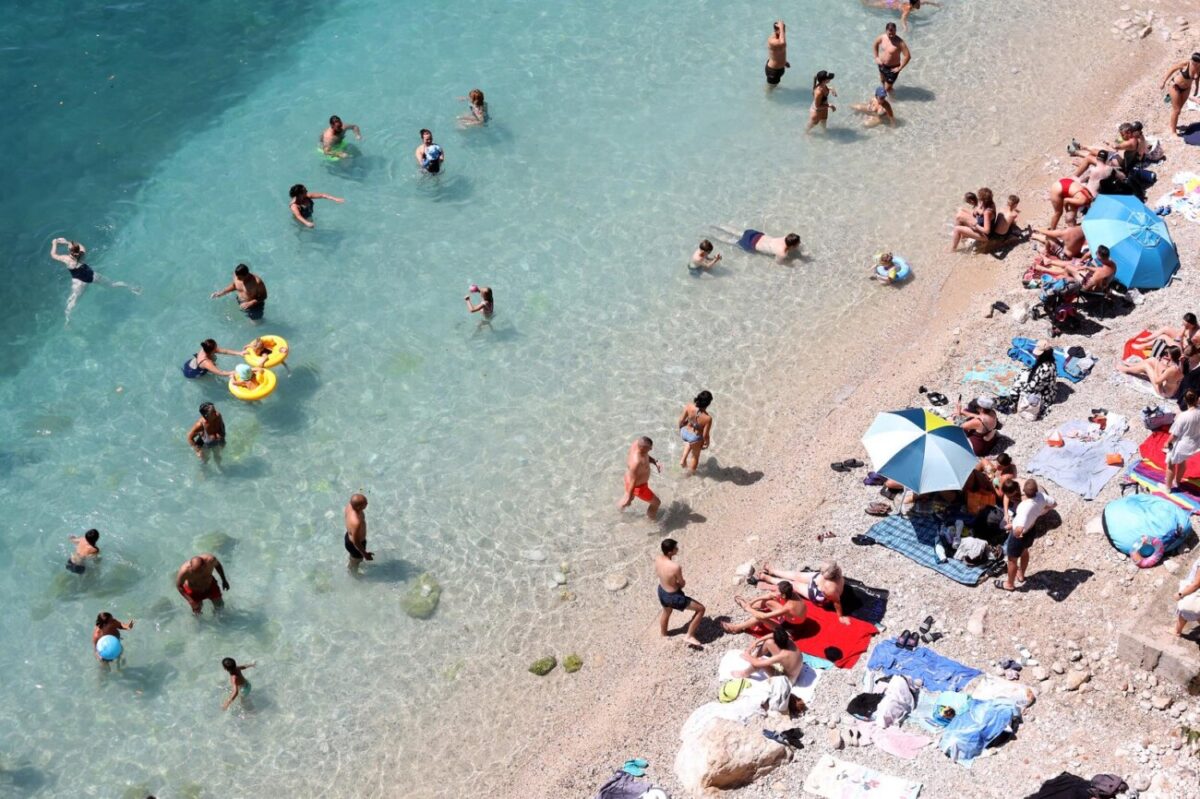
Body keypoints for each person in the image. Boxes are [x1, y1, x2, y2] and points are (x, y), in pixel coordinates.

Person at [48, 237, 140, 323]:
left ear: (69, 252)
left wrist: (54, 243)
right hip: (92, 275)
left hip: (80, 282)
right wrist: (67, 242)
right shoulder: (83, 254)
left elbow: (53, 255)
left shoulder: (67, 259)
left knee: (73, 300)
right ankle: (132, 287)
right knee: (112, 284)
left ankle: (67, 318)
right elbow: (80, 246)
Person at [996, 479, 1056, 591]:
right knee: (1024, 552)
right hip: (1032, 529)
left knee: (1012, 560)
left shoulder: (1023, 507)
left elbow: (1019, 529)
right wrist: (1042, 511)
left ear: (1023, 490)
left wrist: (1012, 527)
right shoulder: (1041, 496)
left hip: (1021, 534)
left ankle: (1009, 584)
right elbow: (1054, 503)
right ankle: (1021, 575)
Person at [751, 561, 849, 623]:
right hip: (819, 582)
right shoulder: (835, 570)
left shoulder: (830, 588)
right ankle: (773, 571)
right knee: (797, 575)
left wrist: (840, 616)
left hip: (819, 595)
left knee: (793, 585)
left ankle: (768, 578)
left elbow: (837, 602)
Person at [655, 538, 705, 648]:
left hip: (661, 591)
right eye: (675, 548)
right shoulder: (675, 567)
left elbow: (658, 574)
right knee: (701, 609)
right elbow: (681, 584)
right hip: (674, 597)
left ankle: (663, 634)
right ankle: (689, 635)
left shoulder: (658, 559)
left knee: (666, 611)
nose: (677, 549)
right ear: (670, 552)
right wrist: (680, 584)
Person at [731, 627, 803, 693]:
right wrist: (756, 642)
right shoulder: (788, 640)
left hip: (787, 681)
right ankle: (755, 656)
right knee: (769, 642)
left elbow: (758, 664)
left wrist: (747, 656)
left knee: (760, 661)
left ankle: (745, 673)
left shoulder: (783, 655)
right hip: (795, 671)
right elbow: (772, 635)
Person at [720, 581, 808, 634]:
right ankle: (748, 604)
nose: (775, 592)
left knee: (759, 617)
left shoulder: (789, 606)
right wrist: (751, 602)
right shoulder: (791, 593)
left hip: (792, 629)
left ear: (783, 595)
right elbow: (770, 595)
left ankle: (737, 628)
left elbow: (763, 616)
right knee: (769, 601)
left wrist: (749, 609)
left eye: (777, 591)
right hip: (793, 619)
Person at [1120, 344, 1184, 400]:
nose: (1165, 356)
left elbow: (1157, 381)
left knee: (1146, 366)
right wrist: (1159, 363)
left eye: (1167, 354)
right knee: (1153, 359)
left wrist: (1156, 366)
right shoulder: (1180, 366)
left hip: (1164, 392)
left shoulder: (1171, 370)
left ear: (1171, 356)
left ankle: (1125, 369)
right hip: (1171, 389)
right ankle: (1131, 365)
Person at [619, 437, 661, 519]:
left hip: (628, 478)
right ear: (642, 447)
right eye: (649, 448)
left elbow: (646, 455)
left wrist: (654, 462)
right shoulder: (637, 462)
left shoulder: (637, 444)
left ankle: (619, 510)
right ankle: (651, 520)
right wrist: (629, 496)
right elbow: (633, 482)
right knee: (656, 503)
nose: (651, 449)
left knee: (627, 499)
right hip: (639, 488)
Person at [1165, 390, 1200, 491]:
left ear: (1185, 400)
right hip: (1195, 443)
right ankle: (1177, 482)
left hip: (1183, 444)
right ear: (1197, 399)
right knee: (1182, 462)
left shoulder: (1183, 417)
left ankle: (1167, 488)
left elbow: (1175, 435)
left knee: (1171, 464)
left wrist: (1168, 442)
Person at [713, 226, 803, 264]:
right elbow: (778, 262)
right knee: (731, 241)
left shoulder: (786, 237)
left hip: (756, 235)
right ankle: (713, 236)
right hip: (751, 244)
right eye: (798, 243)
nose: (799, 244)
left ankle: (716, 226)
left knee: (737, 232)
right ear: (792, 246)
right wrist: (789, 262)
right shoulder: (782, 252)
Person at [1013, 344, 1058, 413]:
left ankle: (1014, 404)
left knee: (1016, 387)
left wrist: (1021, 383)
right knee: (1024, 372)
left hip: (1043, 395)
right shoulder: (1052, 362)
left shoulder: (1043, 369)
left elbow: (1033, 388)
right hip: (1050, 389)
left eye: (1038, 354)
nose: (1035, 355)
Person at [1161, 53, 1200, 134]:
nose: (1194, 64)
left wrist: (1196, 88)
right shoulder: (1186, 64)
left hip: (1186, 89)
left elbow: (1197, 77)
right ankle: (1173, 132)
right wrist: (1163, 81)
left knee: (1178, 110)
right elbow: (1172, 69)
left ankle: (1173, 124)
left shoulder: (1199, 67)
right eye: (1193, 62)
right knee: (1176, 110)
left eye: (1196, 63)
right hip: (1175, 86)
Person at [949, 187, 997, 252]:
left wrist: (975, 224)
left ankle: (953, 249)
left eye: (979, 198)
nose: (978, 199)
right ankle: (962, 237)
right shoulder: (989, 203)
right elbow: (980, 210)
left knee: (957, 229)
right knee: (959, 214)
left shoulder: (987, 213)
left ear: (983, 200)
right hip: (979, 223)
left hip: (985, 235)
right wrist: (977, 211)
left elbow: (987, 231)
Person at [677, 390, 713, 472]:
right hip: (694, 438)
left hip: (684, 432)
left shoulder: (689, 406)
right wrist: (707, 443)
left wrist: (680, 429)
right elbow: (705, 435)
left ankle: (683, 459)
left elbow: (681, 420)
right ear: (708, 403)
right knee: (695, 457)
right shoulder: (708, 418)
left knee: (689, 441)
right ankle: (690, 475)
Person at [873, 22, 911, 95]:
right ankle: (886, 94)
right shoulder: (882, 37)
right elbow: (875, 44)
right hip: (881, 64)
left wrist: (899, 68)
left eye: (893, 33)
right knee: (882, 80)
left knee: (887, 88)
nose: (891, 35)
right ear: (886, 30)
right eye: (889, 33)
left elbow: (907, 56)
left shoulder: (900, 42)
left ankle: (890, 98)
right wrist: (876, 57)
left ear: (895, 31)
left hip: (892, 69)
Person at [861, 0, 941, 32]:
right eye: (917, 4)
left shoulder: (915, 3)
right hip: (889, 4)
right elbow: (903, 19)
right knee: (868, 5)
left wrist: (936, 4)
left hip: (894, 1)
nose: (919, 5)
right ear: (912, 5)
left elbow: (926, 2)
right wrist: (905, 28)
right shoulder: (907, 9)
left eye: (919, 3)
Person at [344, 493, 372, 570]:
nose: (367, 504)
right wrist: (365, 554)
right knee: (356, 561)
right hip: (355, 544)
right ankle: (353, 573)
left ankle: (352, 559)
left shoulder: (350, 505)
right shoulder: (356, 521)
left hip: (349, 536)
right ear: (359, 507)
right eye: (365, 504)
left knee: (354, 557)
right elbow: (355, 541)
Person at [1175, 553, 1200, 636]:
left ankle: (1177, 632)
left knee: (1183, 612)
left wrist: (1180, 594)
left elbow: (1196, 584)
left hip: (1194, 592)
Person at [765, 20, 789, 89]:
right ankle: (767, 98)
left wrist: (784, 62)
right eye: (782, 30)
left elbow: (780, 52)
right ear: (777, 30)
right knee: (770, 89)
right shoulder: (772, 40)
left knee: (775, 86)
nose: (784, 32)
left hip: (779, 69)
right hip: (773, 71)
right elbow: (782, 43)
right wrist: (781, 27)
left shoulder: (780, 39)